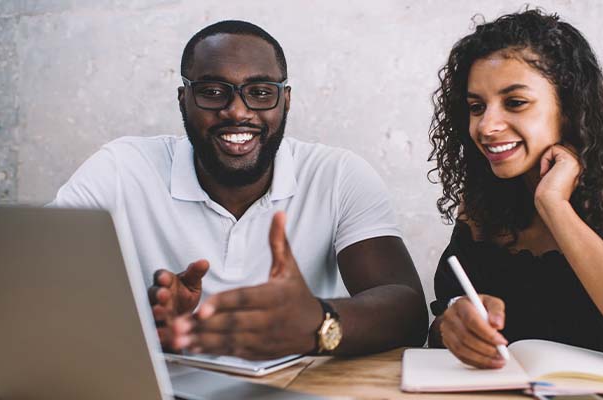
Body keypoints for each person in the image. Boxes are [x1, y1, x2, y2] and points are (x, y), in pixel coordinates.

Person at [51, 20, 428, 359]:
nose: (237, 111)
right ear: (183, 100)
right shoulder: (121, 168)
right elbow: (35, 281)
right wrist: (145, 322)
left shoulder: (338, 176)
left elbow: (407, 312)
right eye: (213, 92)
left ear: (286, 100)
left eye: (260, 92)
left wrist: (315, 324)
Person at [426, 9, 603, 379]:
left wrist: (554, 206)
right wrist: (452, 326)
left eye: (515, 102)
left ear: (570, 106)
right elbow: (443, 327)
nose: (486, 125)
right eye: (476, 107)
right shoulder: (481, 209)